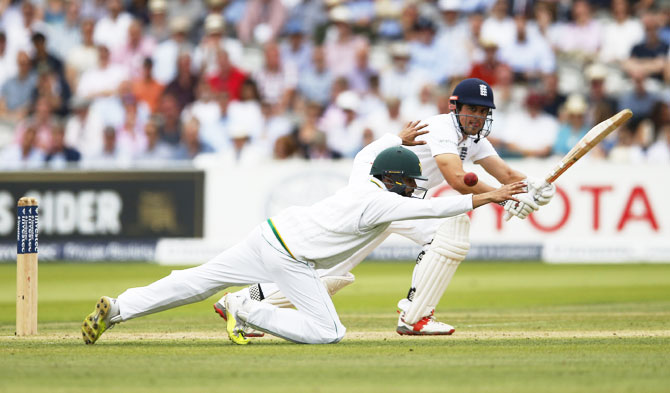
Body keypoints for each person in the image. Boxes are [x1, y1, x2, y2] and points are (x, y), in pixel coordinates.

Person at [82, 123, 526, 345]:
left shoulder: (364, 180)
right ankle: (245, 307)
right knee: (329, 331)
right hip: (291, 259)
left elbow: (372, 151)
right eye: (408, 183)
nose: (413, 189)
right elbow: (440, 207)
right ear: (395, 180)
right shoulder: (384, 201)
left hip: (268, 235)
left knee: (198, 280)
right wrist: (494, 195)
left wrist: (397, 136)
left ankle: (119, 307)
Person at [217, 78, 557, 336]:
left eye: (483, 112)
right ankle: (415, 316)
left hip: (404, 192)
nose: (477, 117)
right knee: (450, 227)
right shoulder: (440, 128)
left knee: (334, 271)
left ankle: (245, 303)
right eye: (472, 110)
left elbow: (509, 174)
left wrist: (534, 188)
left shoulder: (475, 139)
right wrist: (510, 196)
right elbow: (457, 178)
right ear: (456, 108)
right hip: (378, 184)